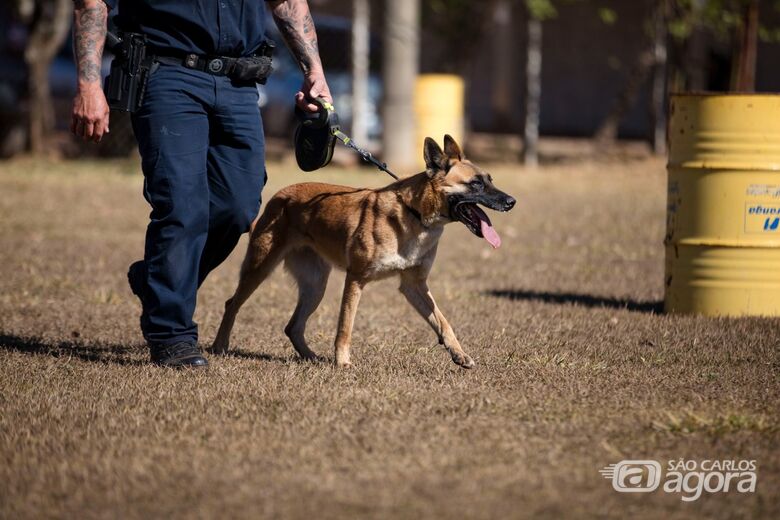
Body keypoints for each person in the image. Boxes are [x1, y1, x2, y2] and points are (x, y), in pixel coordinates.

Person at [70, 0, 332, 367]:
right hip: (167, 74)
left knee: (238, 207)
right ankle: (172, 334)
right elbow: (91, 3)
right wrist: (88, 82)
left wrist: (314, 70)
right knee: (182, 205)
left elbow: (287, 3)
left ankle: (156, 281)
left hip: (238, 82)